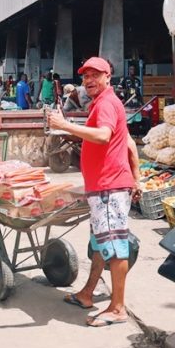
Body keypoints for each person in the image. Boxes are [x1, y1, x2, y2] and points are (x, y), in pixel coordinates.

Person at [49, 57, 139, 328]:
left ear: (108, 77)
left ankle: (118, 307)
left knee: (115, 247)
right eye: (85, 76)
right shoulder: (101, 104)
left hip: (109, 187)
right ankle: (88, 293)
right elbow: (129, 143)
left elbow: (102, 136)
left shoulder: (108, 103)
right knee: (100, 244)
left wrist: (64, 126)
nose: (89, 80)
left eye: (95, 75)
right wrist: (136, 178)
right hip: (104, 186)